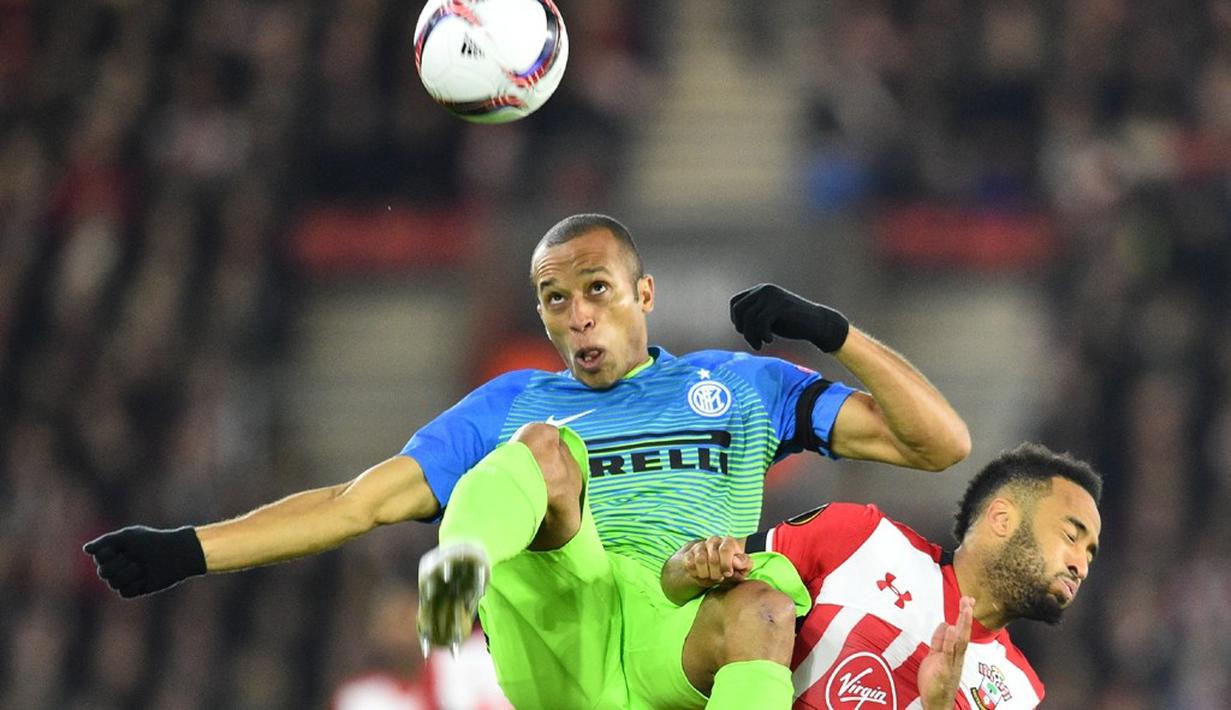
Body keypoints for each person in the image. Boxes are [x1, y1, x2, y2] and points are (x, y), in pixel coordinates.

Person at [84, 214, 971, 709]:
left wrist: (830, 331)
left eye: (595, 291)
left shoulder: (741, 388)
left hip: (671, 632)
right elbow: (357, 503)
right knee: (544, 452)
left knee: (764, 610)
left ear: (642, 295)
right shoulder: (515, 403)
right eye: (555, 299)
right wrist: (185, 550)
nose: (577, 315)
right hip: (561, 629)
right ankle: (458, 567)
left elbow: (940, 446)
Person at [662, 442, 1102, 709]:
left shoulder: (1020, 692)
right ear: (1002, 518)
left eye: (1090, 553)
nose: (1080, 566)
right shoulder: (861, 538)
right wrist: (689, 564)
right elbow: (685, 592)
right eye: (1071, 535)